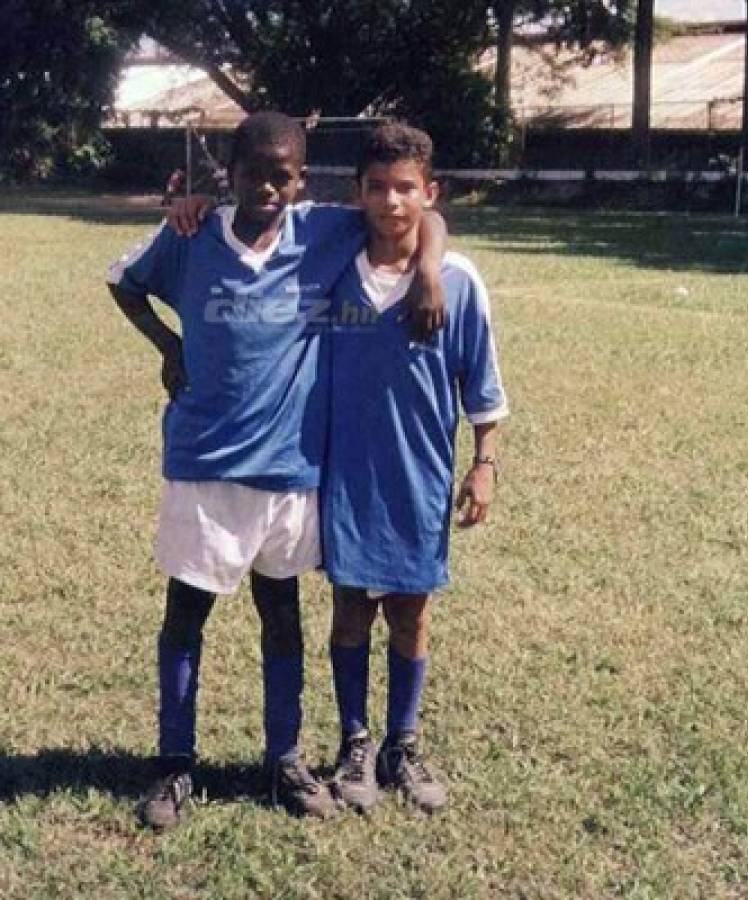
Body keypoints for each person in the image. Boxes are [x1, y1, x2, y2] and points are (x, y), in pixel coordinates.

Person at [106, 111, 446, 828]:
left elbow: (418, 220)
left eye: (284, 174)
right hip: (204, 463)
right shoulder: (191, 235)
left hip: (292, 468)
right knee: (186, 613)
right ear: (227, 173)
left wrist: (433, 272)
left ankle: (284, 759)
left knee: (282, 617)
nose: (269, 187)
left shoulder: (323, 229)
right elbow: (124, 283)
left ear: (302, 177)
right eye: (254, 171)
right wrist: (169, 346)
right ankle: (174, 764)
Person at [323, 123, 508, 815]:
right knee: (349, 612)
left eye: (406, 188)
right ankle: (354, 744)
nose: (392, 201)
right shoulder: (333, 266)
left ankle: (403, 743)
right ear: (358, 193)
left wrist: (484, 465)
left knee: (410, 612)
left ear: (429, 194)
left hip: (419, 477)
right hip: (343, 476)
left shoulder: (457, 283)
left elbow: (483, 390)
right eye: (378, 187)